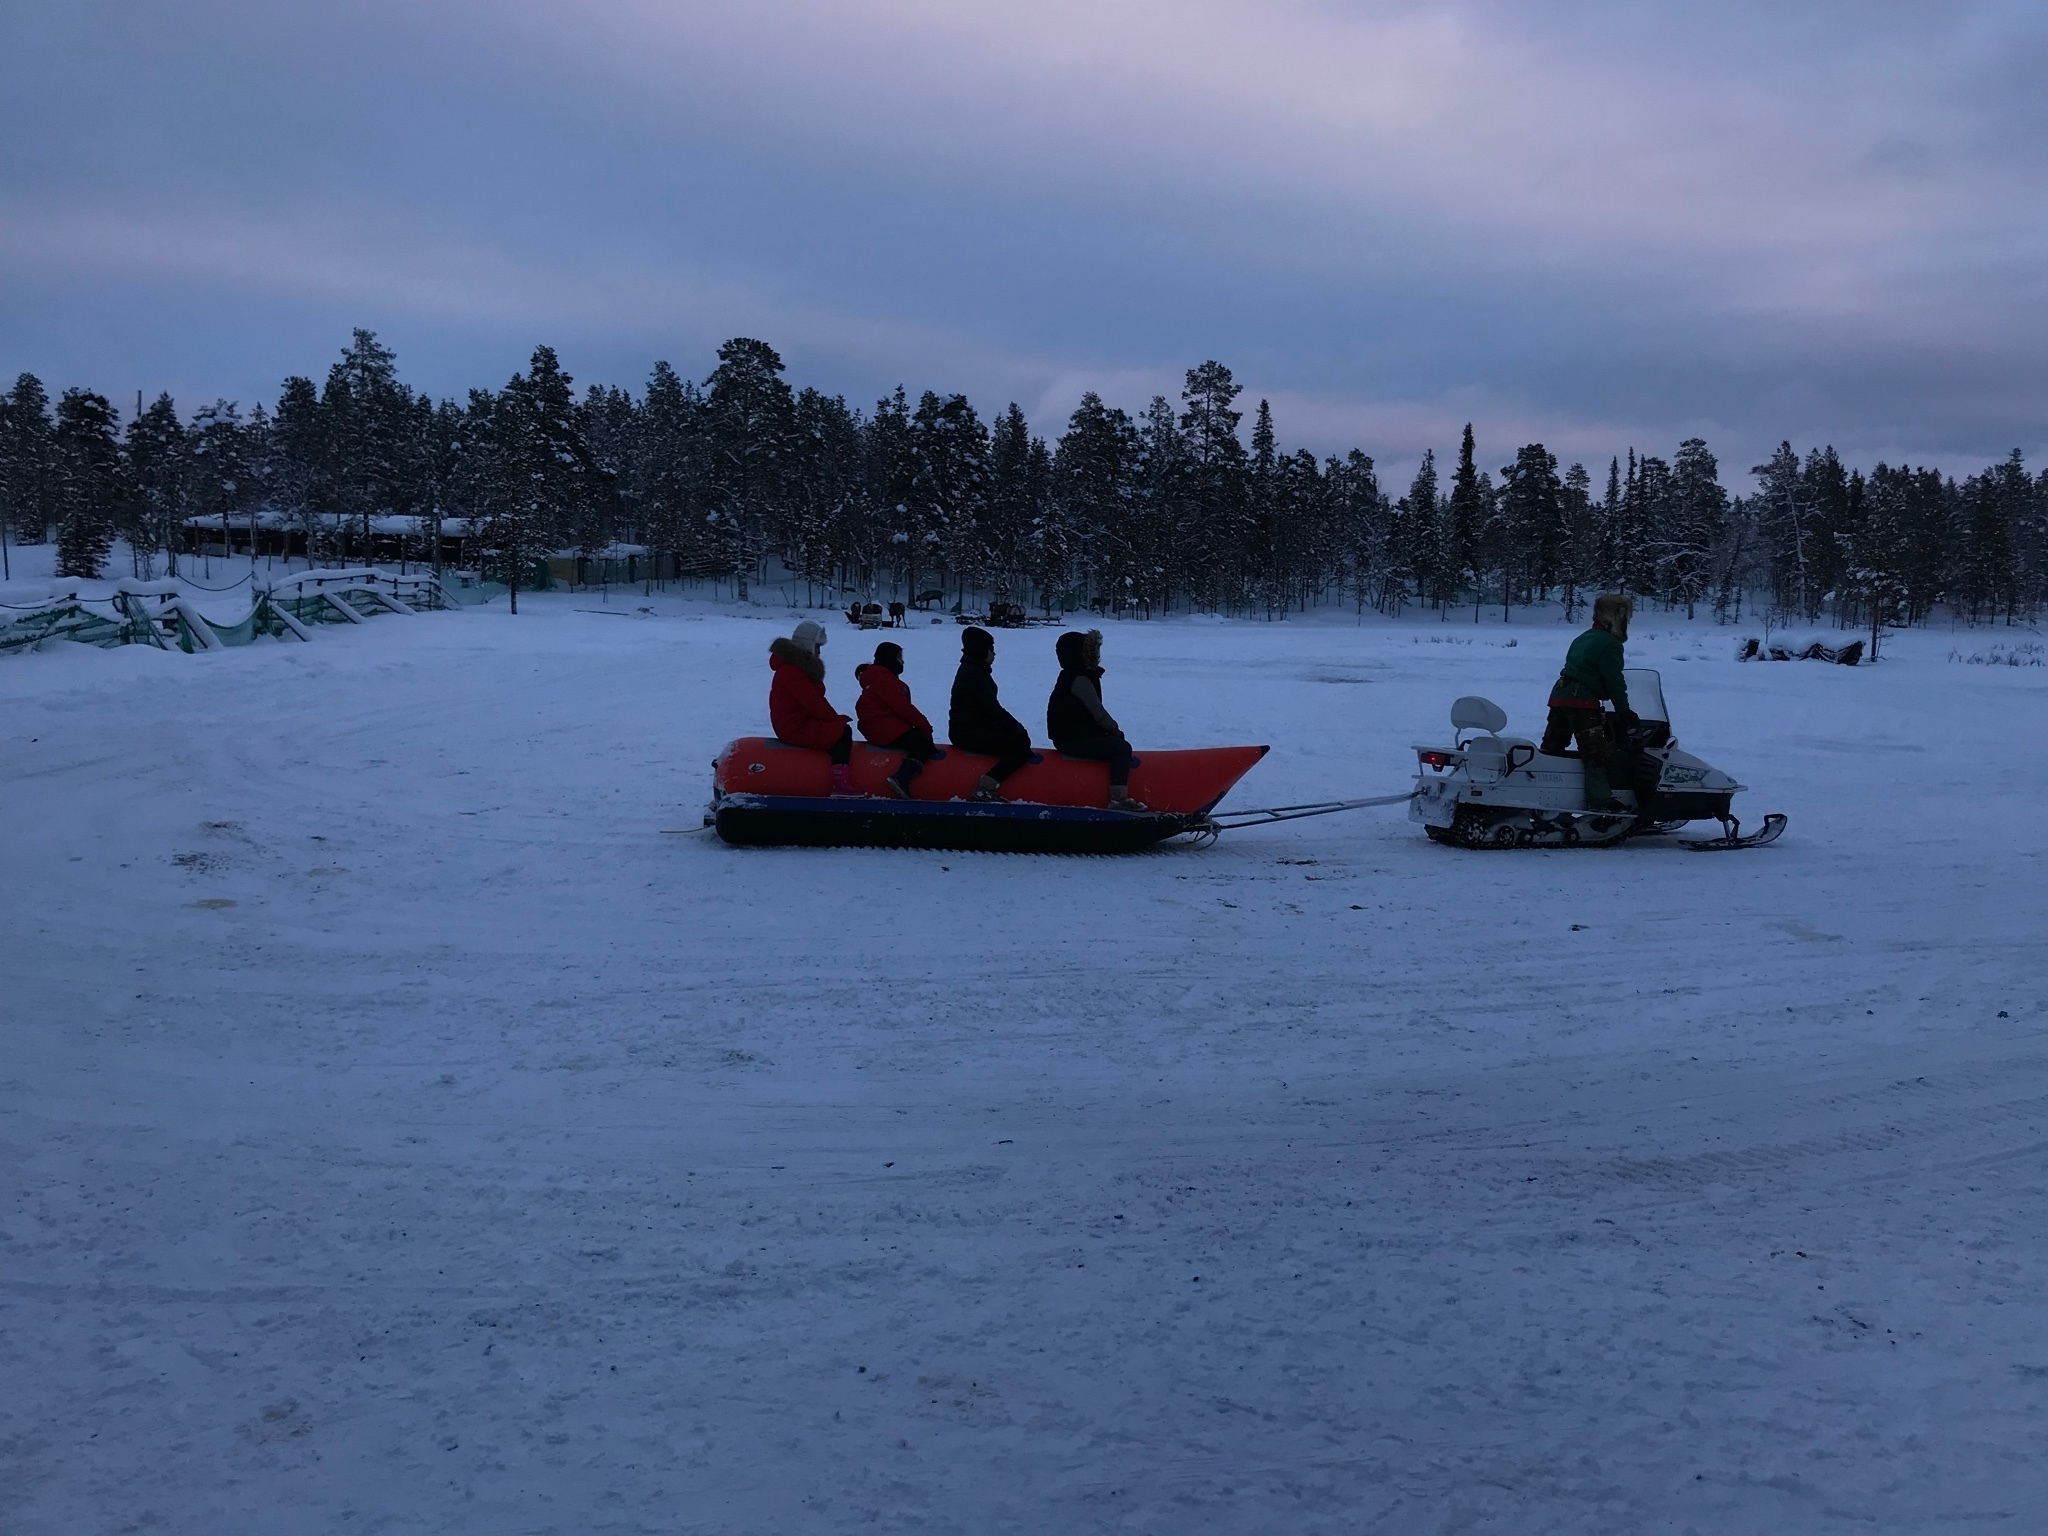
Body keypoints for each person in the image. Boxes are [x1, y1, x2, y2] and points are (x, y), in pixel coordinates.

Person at [1540, 593, 1633, 812]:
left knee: (1553, 748)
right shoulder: (1610, 644)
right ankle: (1601, 800)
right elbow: (1614, 680)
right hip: (1581, 702)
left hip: (1559, 696)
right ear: (1618, 617)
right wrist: (1624, 711)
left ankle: (1545, 792)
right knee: (1594, 752)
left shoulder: (1583, 637)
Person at [1047, 628, 1146, 811]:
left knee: (1112, 743)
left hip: (1069, 736)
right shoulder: (1080, 679)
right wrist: (1116, 732)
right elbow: (1098, 712)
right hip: (1072, 740)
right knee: (1121, 748)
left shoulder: (1071, 675)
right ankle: (1118, 799)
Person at [769, 619, 857, 795]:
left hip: (798, 722)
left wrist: (834, 719)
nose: (819, 652)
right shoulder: (792, 671)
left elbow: (815, 701)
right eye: (818, 647)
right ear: (808, 645)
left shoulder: (797, 668)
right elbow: (813, 703)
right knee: (842, 733)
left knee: (838, 730)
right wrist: (836, 721)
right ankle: (840, 781)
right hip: (793, 727)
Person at [948, 625, 1032, 801]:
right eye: (991, 649)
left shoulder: (974, 670)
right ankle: (985, 787)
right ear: (981, 650)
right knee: (1019, 746)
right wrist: (1017, 729)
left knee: (1016, 740)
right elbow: (991, 707)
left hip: (969, 729)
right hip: (967, 732)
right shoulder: (974, 673)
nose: (994, 654)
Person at [854, 641, 935, 799]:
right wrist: (925, 727)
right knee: (922, 743)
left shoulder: (878, 679)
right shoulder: (885, 681)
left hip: (879, 727)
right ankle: (902, 778)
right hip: (883, 728)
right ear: (890, 659)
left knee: (917, 737)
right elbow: (904, 709)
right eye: (899, 657)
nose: (902, 661)